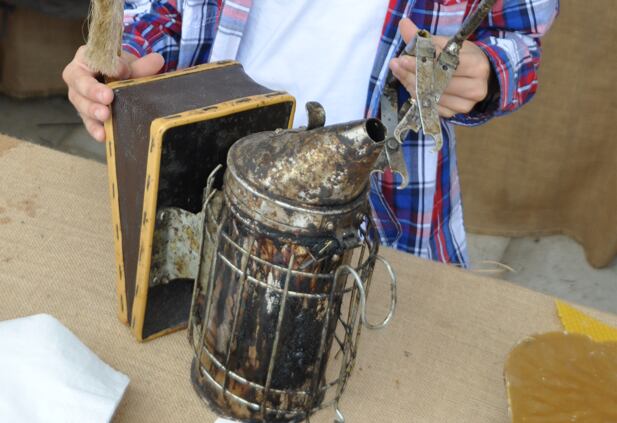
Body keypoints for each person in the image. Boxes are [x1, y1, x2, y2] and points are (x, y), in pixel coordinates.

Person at [63, 0, 559, 268]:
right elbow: (166, 9)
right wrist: (128, 54)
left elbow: (517, 37)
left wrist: (488, 72)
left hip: (383, 219)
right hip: (213, 189)